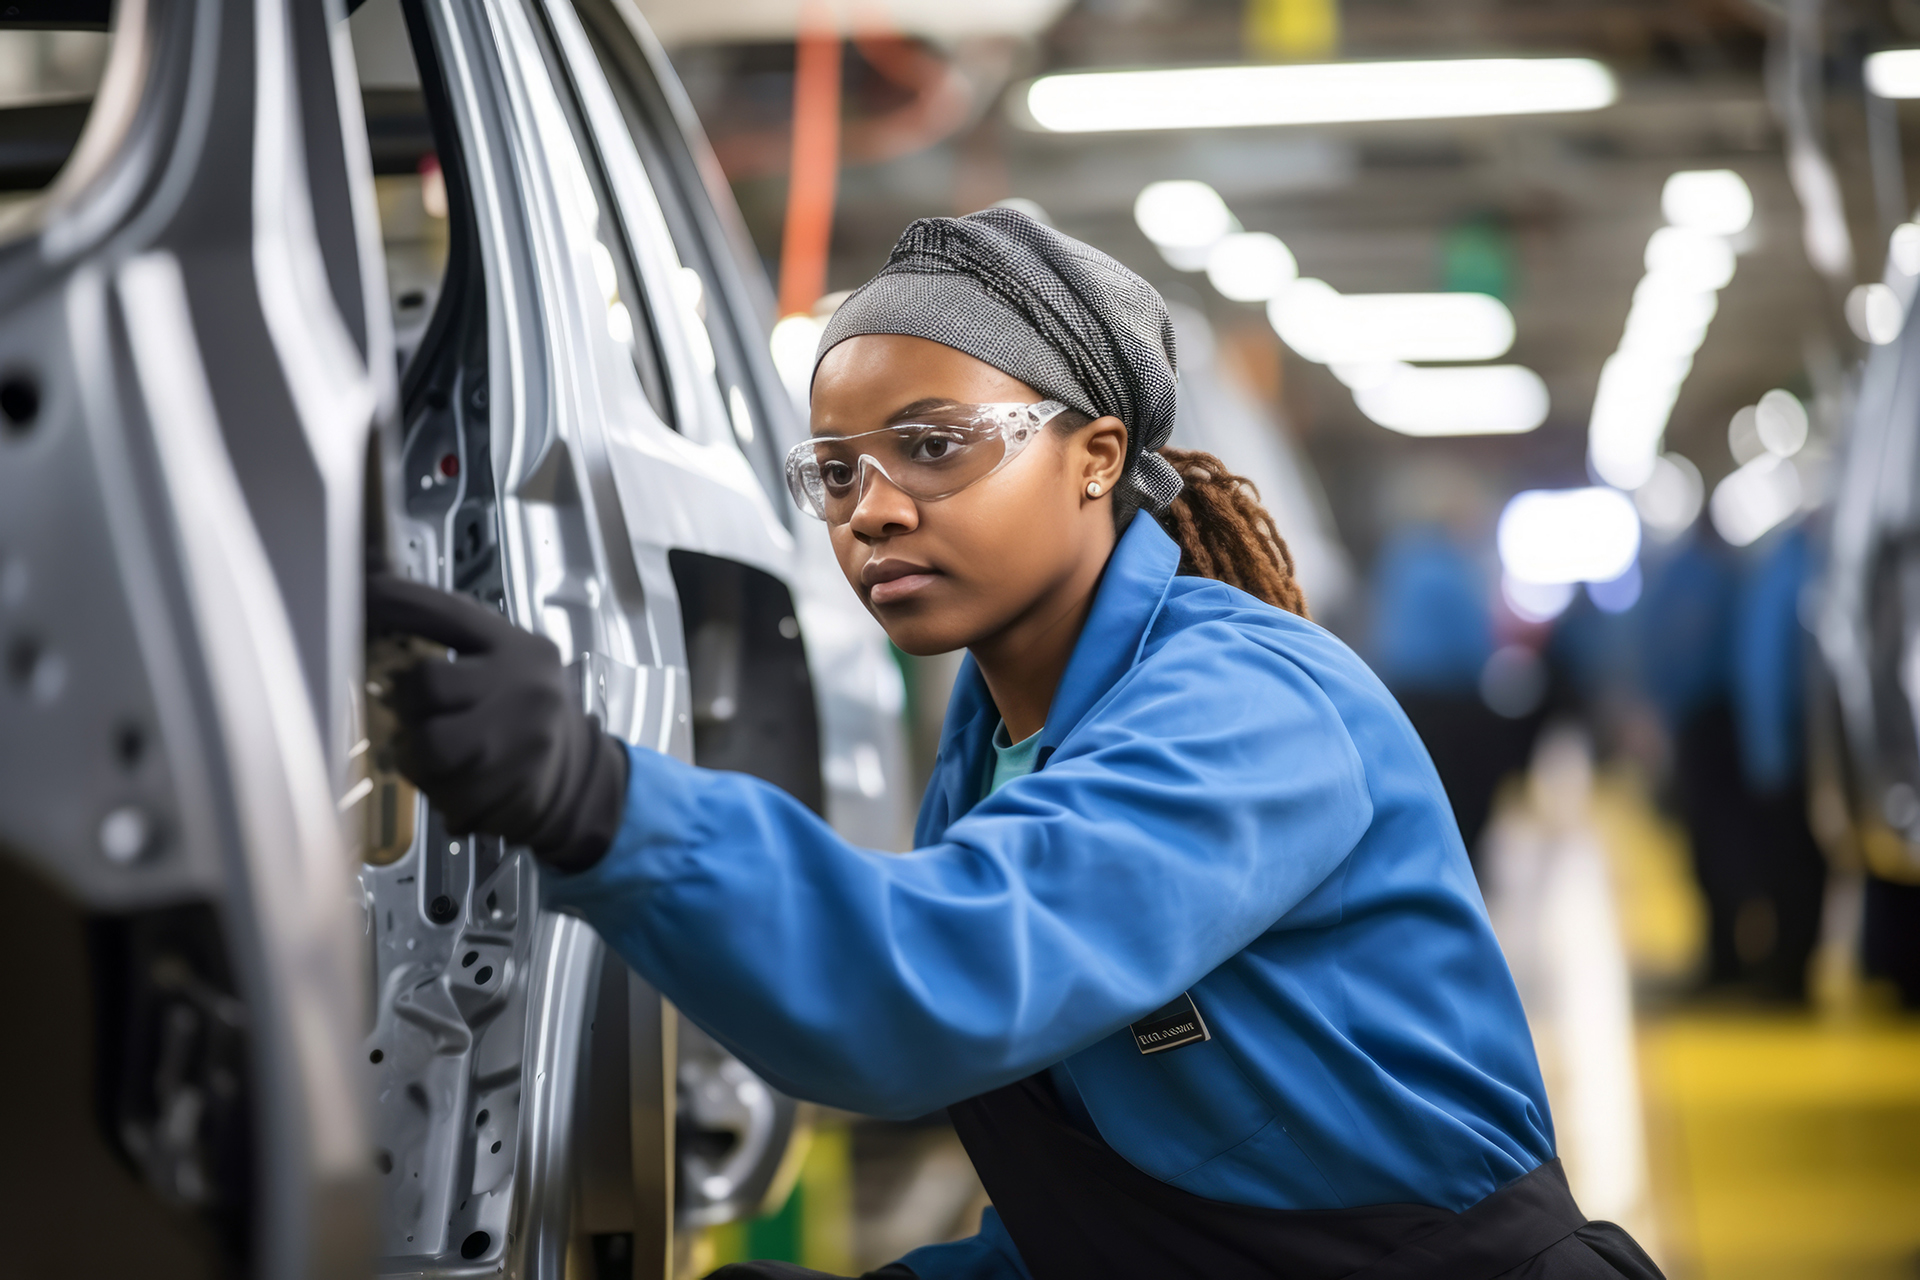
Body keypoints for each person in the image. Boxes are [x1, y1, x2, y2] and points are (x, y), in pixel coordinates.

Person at [369, 209, 1661, 1279]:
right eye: (833, 470)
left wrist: (596, 799)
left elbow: (934, 982)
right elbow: (1135, 1211)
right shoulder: (1000, 745)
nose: (870, 511)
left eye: (931, 449)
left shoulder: (1242, 707)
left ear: (1096, 457)